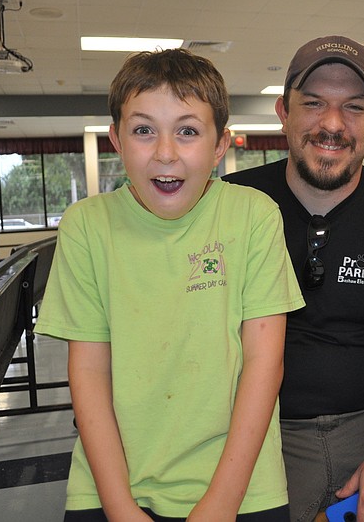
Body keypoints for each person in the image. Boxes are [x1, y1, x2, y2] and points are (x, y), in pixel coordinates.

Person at [35, 48, 305, 521]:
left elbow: (265, 363)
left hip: (242, 489)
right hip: (111, 487)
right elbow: (89, 373)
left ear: (220, 144)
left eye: (187, 131)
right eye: (143, 130)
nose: (165, 152)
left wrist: (220, 506)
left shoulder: (253, 216)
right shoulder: (86, 226)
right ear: (116, 138)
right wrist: (120, 508)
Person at [223, 36, 364, 522]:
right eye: (313, 104)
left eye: (354, 107)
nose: (333, 124)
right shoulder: (230, 205)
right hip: (260, 430)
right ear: (283, 111)